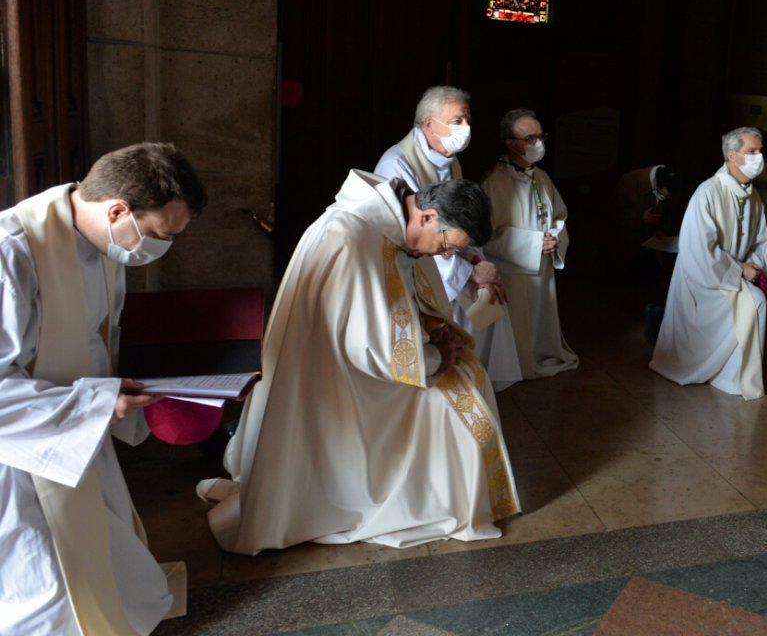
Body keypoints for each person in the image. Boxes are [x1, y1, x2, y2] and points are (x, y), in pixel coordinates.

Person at [199, 173, 520, 554]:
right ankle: (428, 500)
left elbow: (394, 308)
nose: (445, 255)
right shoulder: (356, 237)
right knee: (453, 406)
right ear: (429, 216)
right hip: (334, 378)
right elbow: (372, 347)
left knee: (465, 376)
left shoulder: (390, 229)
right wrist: (434, 356)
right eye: (448, 245)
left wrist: (436, 333)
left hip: (352, 364)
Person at [0, 142, 207, 634]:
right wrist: (96, 402)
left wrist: (118, 388)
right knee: (44, 577)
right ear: (118, 210)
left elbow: (89, 337)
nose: (160, 249)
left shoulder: (101, 240)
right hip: (22, 446)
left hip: (77, 425)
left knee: (99, 549)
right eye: (159, 234)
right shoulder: (13, 252)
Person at [374, 85, 523, 391]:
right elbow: (414, 235)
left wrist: (480, 263)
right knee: (469, 300)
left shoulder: (450, 160)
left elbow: (461, 220)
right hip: (421, 268)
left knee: (492, 296)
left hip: (449, 257)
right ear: (429, 123)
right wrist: (470, 272)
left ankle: (480, 380)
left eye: (467, 121)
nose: (465, 129)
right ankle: (454, 381)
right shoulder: (396, 165)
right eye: (456, 121)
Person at [650, 127, 767, 400]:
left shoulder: (753, 197)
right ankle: (731, 375)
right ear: (732, 155)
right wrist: (739, 269)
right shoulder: (708, 192)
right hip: (704, 276)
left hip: (732, 273)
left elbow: (762, 242)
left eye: (760, 152)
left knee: (754, 300)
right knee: (755, 302)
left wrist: (752, 268)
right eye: (751, 152)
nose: (758, 158)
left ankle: (732, 374)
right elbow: (697, 250)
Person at [480, 109, 578, 378]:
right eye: (531, 138)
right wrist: (535, 244)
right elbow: (486, 235)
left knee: (540, 321)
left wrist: (555, 237)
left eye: (540, 136)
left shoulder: (541, 177)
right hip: (514, 270)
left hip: (542, 267)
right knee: (519, 324)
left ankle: (540, 354)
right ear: (511, 143)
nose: (539, 143)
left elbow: (560, 216)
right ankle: (518, 364)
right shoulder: (493, 182)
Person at [611, 163, 681, 282]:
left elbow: (669, 215)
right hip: (625, 251)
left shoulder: (671, 183)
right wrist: (641, 217)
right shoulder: (628, 182)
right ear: (655, 182)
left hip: (650, 251)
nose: (665, 198)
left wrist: (661, 230)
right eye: (663, 195)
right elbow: (611, 215)